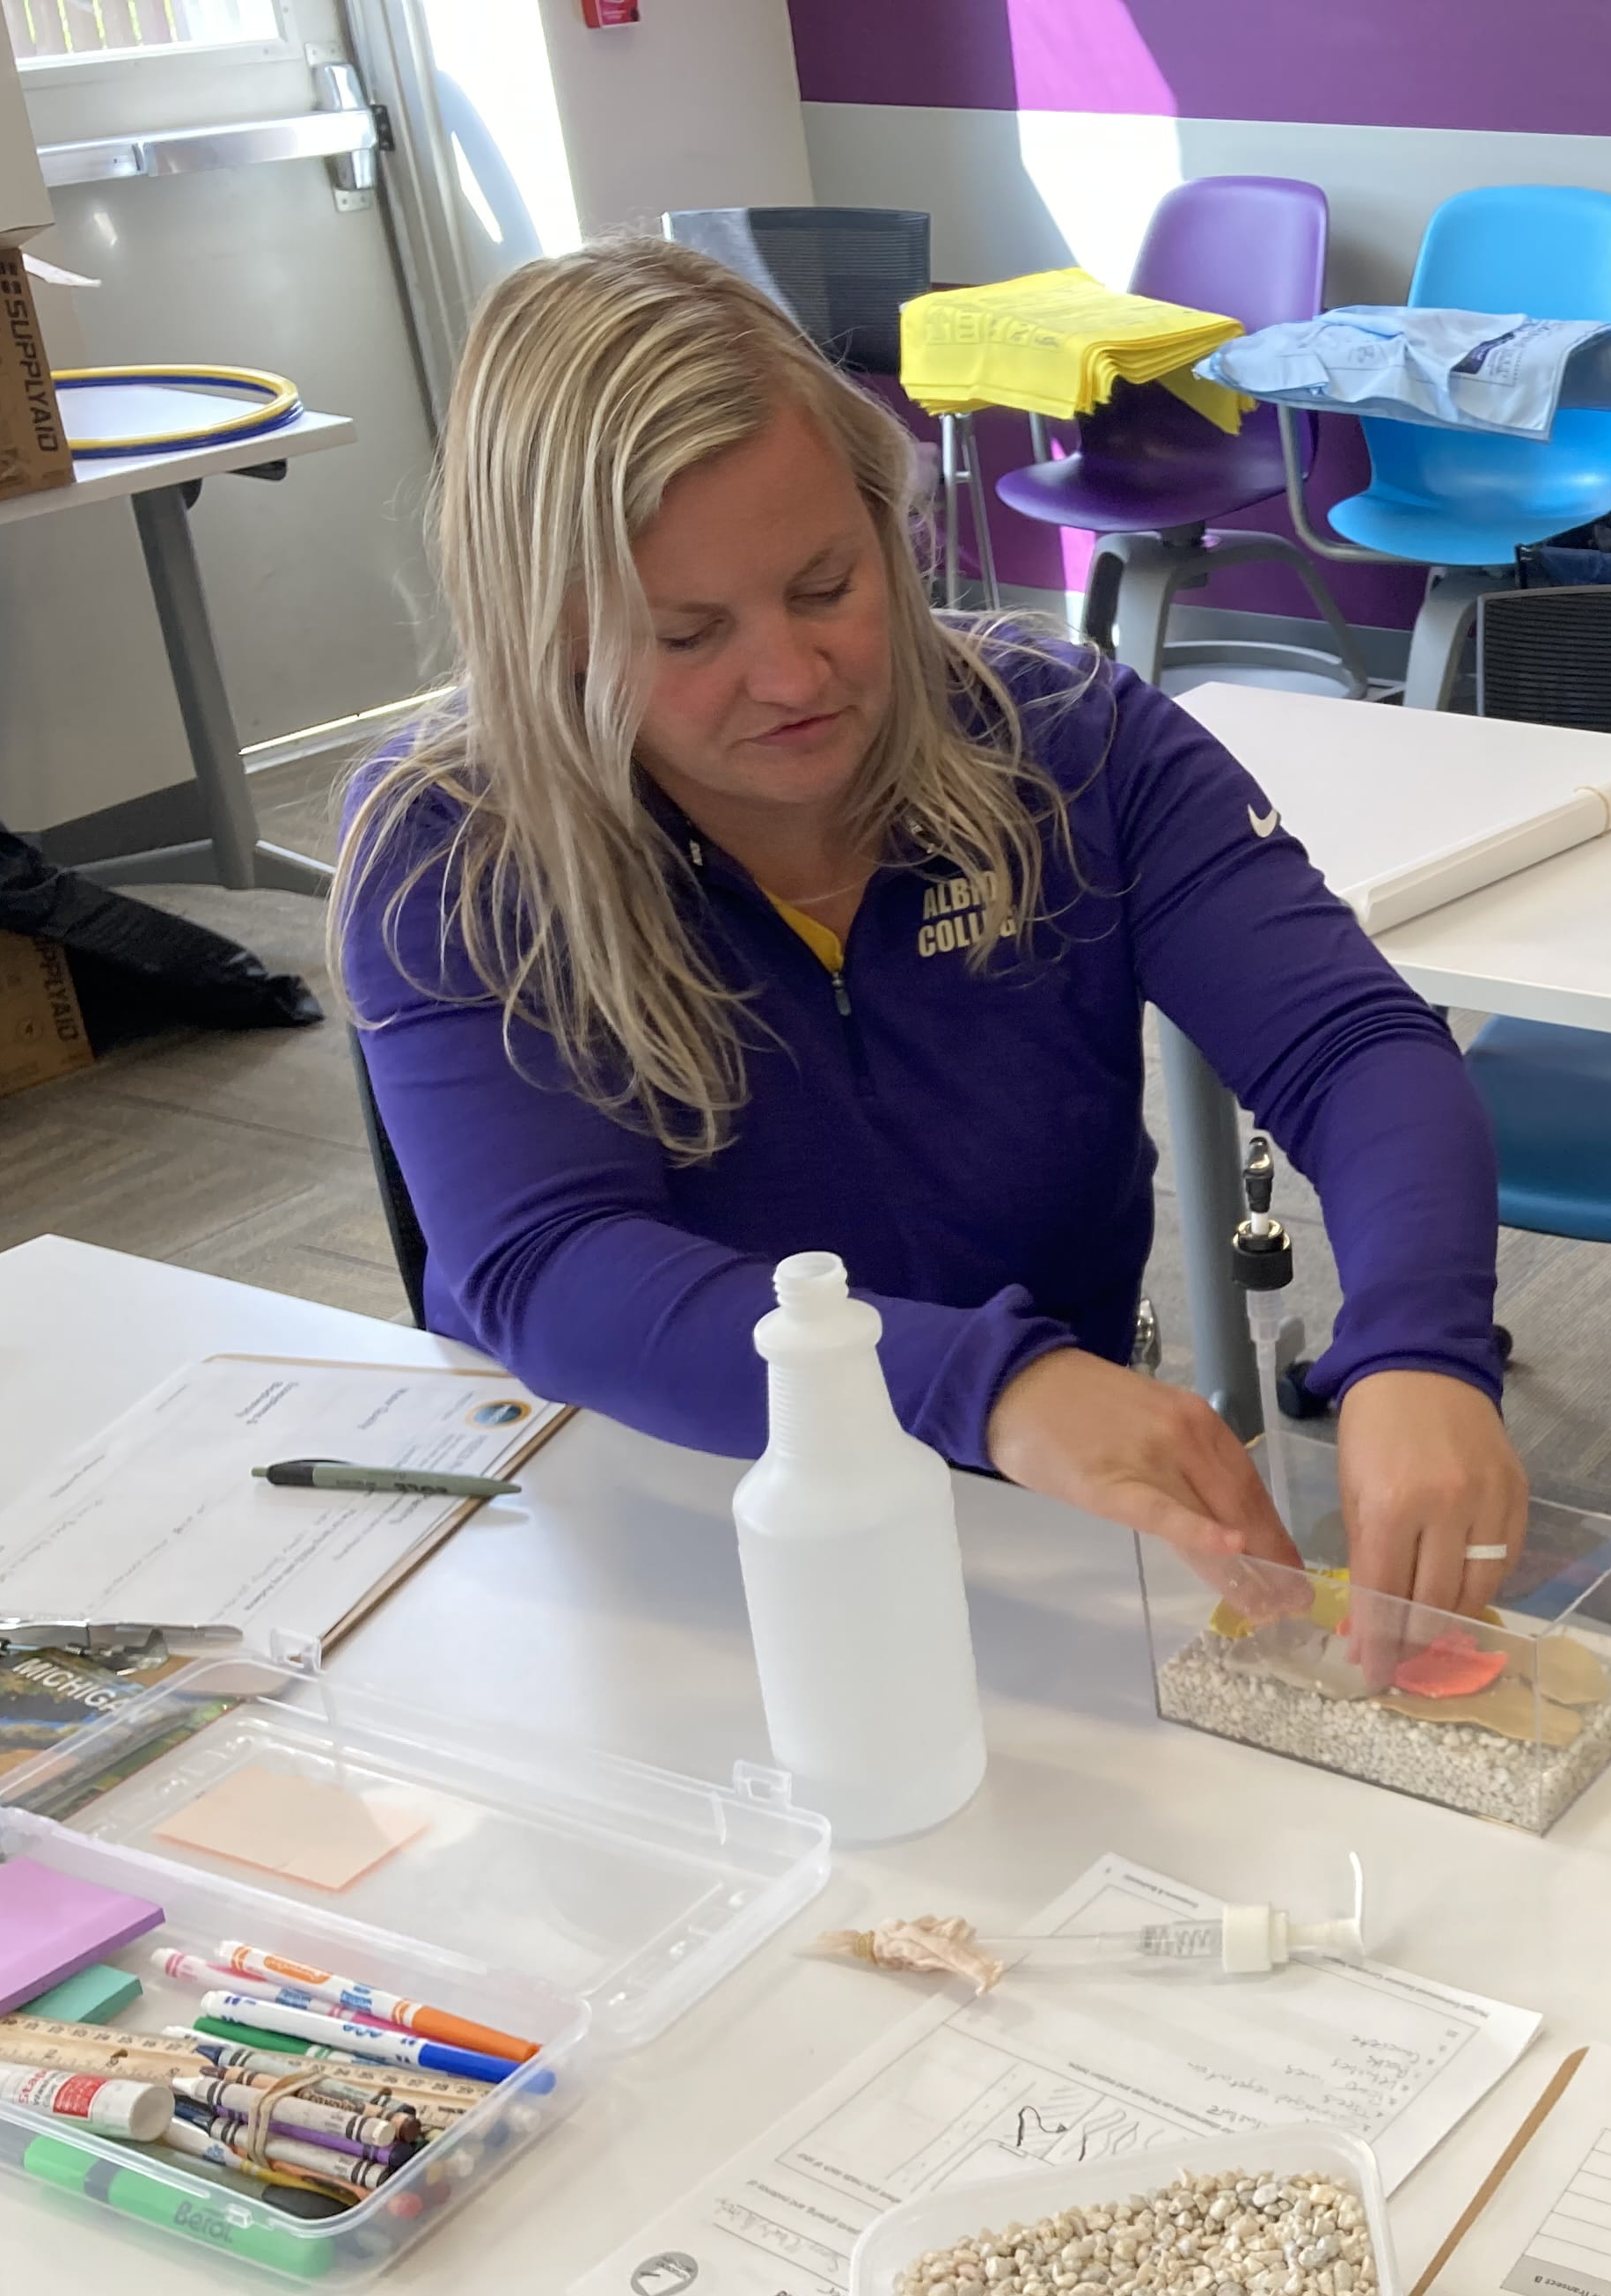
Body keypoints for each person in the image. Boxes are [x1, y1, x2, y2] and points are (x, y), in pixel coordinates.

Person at [338, 240, 1525, 1614]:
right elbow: (547, 1267)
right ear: (547, 627)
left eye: (829, 585)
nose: (790, 675)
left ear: (888, 523)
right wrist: (987, 1382)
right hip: (649, 1531)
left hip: (1017, 1526)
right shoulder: (453, 847)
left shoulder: (1067, 741)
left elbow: (1351, 1043)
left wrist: (1419, 1349)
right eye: (686, 633)